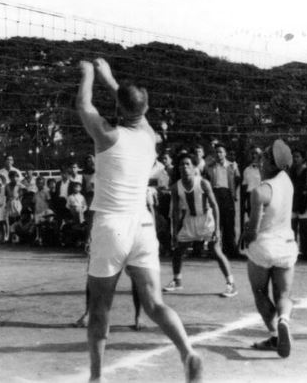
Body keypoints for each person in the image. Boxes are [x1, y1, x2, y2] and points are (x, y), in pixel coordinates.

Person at [76, 57, 202, 382]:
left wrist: (90, 73)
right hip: (143, 227)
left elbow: (83, 103)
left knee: (101, 308)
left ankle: (96, 377)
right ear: (144, 110)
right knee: (155, 304)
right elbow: (135, 109)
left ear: (118, 108)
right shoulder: (149, 136)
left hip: (111, 226)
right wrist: (111, 78)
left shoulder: (106, 134)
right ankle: (187, 352)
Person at [242, 139, 297, 359]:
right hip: (286, 245)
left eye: (264, 156)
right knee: (283, 294)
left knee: (259, 292)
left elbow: (253, 230)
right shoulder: (287, 180)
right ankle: (284, 320)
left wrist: (245, 235)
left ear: (270, 162)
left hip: (264, 246)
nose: (261, 159)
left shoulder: (260, 191)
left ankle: (275, 333)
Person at [163, 153, 237, 298]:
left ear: (193, 167)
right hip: (190, 221)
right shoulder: (175, 187)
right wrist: (174, 233)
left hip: (206, 220)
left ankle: (231, 284)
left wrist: (217, 229)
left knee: (215, 251)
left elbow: (215, 206)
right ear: (178, 168)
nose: (184, 167)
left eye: (187, 164)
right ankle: (177, 280)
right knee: (178, 250)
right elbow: (176, 211)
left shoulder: (203, 183)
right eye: (181, 164)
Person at [204, 143, 241, 258]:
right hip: (215, 194)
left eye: (221, 151)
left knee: (229, 222)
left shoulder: (232, 166)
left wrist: (234, 192)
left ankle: (230, 250)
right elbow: (206, 181)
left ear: (225, 153)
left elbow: (238, 179)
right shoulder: (210, 167)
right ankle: (215, 250)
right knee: (215, 223)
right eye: (217, 152)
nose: (219, 154)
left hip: (227, 194)